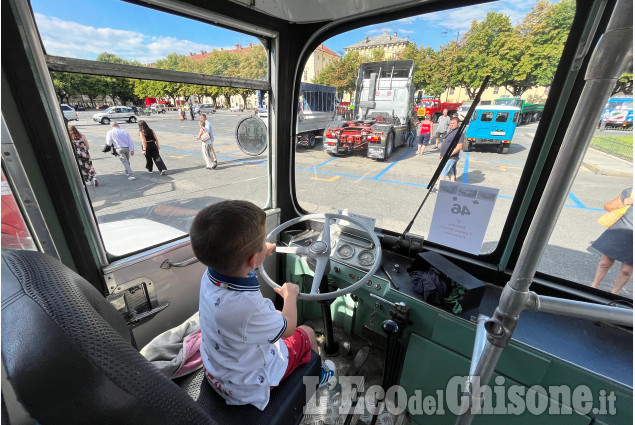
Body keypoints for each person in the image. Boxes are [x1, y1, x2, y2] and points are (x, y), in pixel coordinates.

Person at [190, 200, 336, 410]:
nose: (264, 246)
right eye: (261, 245)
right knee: (307, 332)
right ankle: (318, 375)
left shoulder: (211, 276)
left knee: (274, 315)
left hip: (217, 372)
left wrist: (258, 252)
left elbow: (238, 266)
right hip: (249, 387)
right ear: (251, 259)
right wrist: (290, 296)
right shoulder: (248, 306)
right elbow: (288, 328)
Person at [590, 188, 633, 294]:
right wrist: (623, 204)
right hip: (620, 230)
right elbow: (607, 207)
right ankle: (593, 287)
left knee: (626, 270)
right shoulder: (631, 191)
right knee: (605, 262)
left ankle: (614, 293)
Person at [434, 116, 464, 191]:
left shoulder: (459, 133)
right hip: (446, 156)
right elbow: (445, 142)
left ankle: (439, 188)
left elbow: (460, 146)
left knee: (443, 172)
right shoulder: (451, 131)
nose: (451, 124)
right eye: (450, 123)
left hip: (452, 157)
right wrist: (441, 153)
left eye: (453, 123)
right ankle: (453, 185)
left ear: (458, 124)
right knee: (450, 172)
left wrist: (449, 154)